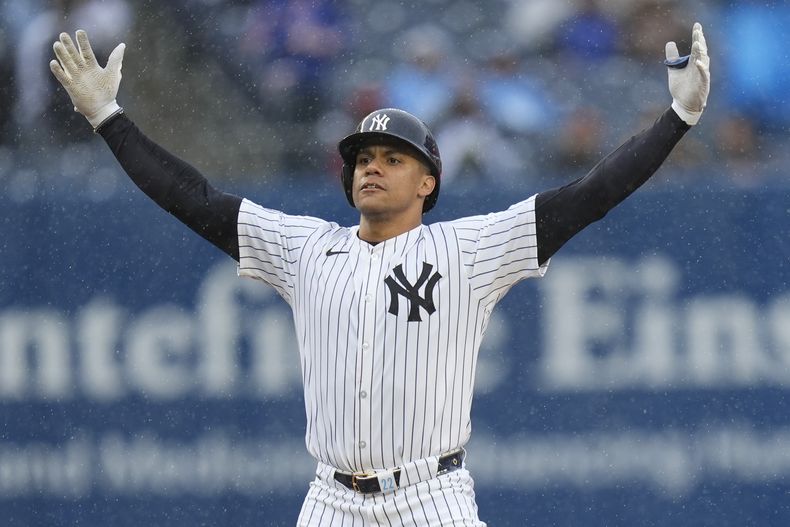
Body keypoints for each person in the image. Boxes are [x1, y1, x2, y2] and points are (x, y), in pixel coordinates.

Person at [49, 22, 710, 526]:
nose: (371, 165)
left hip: (433, 496)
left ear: (428, 181)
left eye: (393, 157)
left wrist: (676, 120)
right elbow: (193, 197)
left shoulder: (469, 249)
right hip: (331, 499)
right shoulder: (305, 248)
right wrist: (109, 118)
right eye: (363, 155)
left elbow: (588, 195)